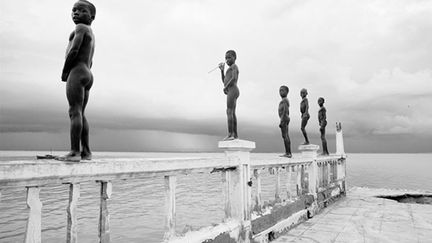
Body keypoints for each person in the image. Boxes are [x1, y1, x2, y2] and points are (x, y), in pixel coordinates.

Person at [59, 0, 96, 161]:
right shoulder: (91, 33)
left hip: (77, 71)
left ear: (92, 16)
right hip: (87, 73)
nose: (76, 13)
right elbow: (91, 60)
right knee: (81, 112)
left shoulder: (80, 28)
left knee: (74, 111)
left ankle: (74, 152)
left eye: (81, 11)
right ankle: (86, 152)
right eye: (74, 10)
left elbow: (74, 50)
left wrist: (65, 71)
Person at [218, 50, 239, 140]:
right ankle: (234, 135)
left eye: (229, 57)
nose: (227, 60)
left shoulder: (234, 66)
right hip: (231, 90)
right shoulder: (228, 69)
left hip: (233, 90)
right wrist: (222, 71)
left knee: (229, 111)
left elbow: (234, 78)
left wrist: (226, 87)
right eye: (226, 58)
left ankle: (231, 134)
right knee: (232, 112)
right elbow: (224, 81)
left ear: (235, 58)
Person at [278, 86, 292, 158]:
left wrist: (282, 120)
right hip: (285, 118)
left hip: (284, 118)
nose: (281, 92)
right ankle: (288, 152)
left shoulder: (285, 100)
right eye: (280, 91)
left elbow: (285, 111)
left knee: (285, 135)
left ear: (287, 92)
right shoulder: (284, 100)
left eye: (282, 90)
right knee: (285, 135)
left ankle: (288, 153)